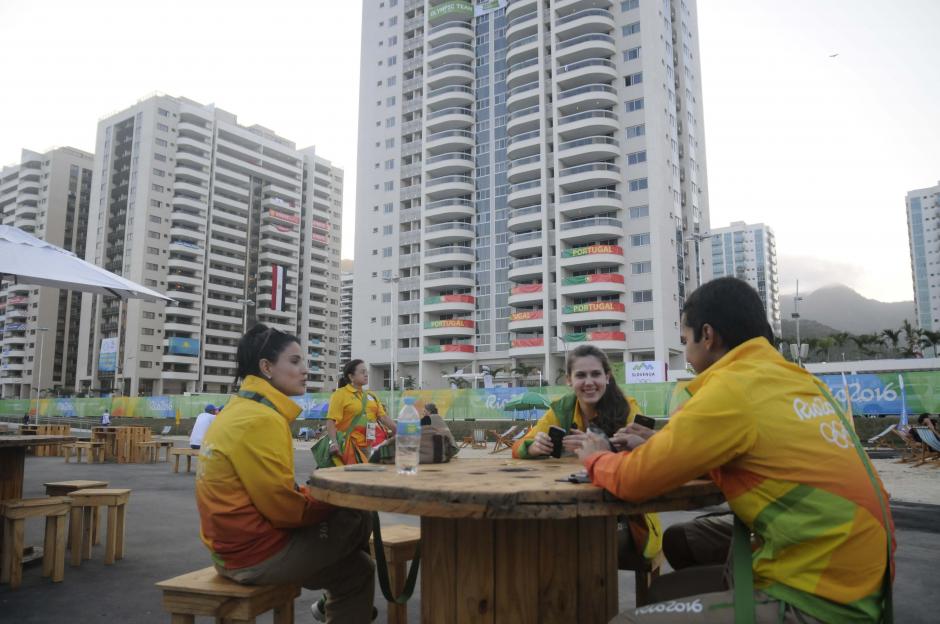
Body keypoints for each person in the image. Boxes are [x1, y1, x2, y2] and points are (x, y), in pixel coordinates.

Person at [576, 277, 895, 623]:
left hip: (824, 594)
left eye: (685, 340)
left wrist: (595, 456)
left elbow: (634, 480)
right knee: (680, 544)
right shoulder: (800, 380)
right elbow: (752, 448)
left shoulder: (730, 388)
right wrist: (660, 444)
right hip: (867, 568)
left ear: (708, 335)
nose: (686, 353)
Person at [195, 324, 374, 623]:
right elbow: (285, 510)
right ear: (266, 367)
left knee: (359, 568)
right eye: (294, 361)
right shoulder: (260, 419)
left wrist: (317, 497)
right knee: (359, 515)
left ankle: (328, 603)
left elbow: (273, 494)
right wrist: (332, 499)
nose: (305, 369)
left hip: (227, 549)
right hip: (254, 555)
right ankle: (331, 603)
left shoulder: (239, 408)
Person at [512, 345, 663, 567]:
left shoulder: (627, 409)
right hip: (568, 511)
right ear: (569, 380)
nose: (589, 382)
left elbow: (645, 461)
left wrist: (600, 449)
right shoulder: (561, 409)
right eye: (581, 375)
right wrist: (533, 448)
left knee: (572, 548)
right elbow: (517, 448)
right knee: (536, 542)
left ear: (607, 377)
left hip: (624, 517)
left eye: (596, 374)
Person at [325, 359, 397, 464]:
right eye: (362, 372)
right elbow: (331, 420)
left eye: (367, 372)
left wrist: (399, 430)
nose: (366, 375)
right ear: (351, 376)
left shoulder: (371, 395)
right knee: (352, 477)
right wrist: (333, 442)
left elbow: (383, 417)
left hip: (368, 446)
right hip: (348, 446)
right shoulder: (340, 394)